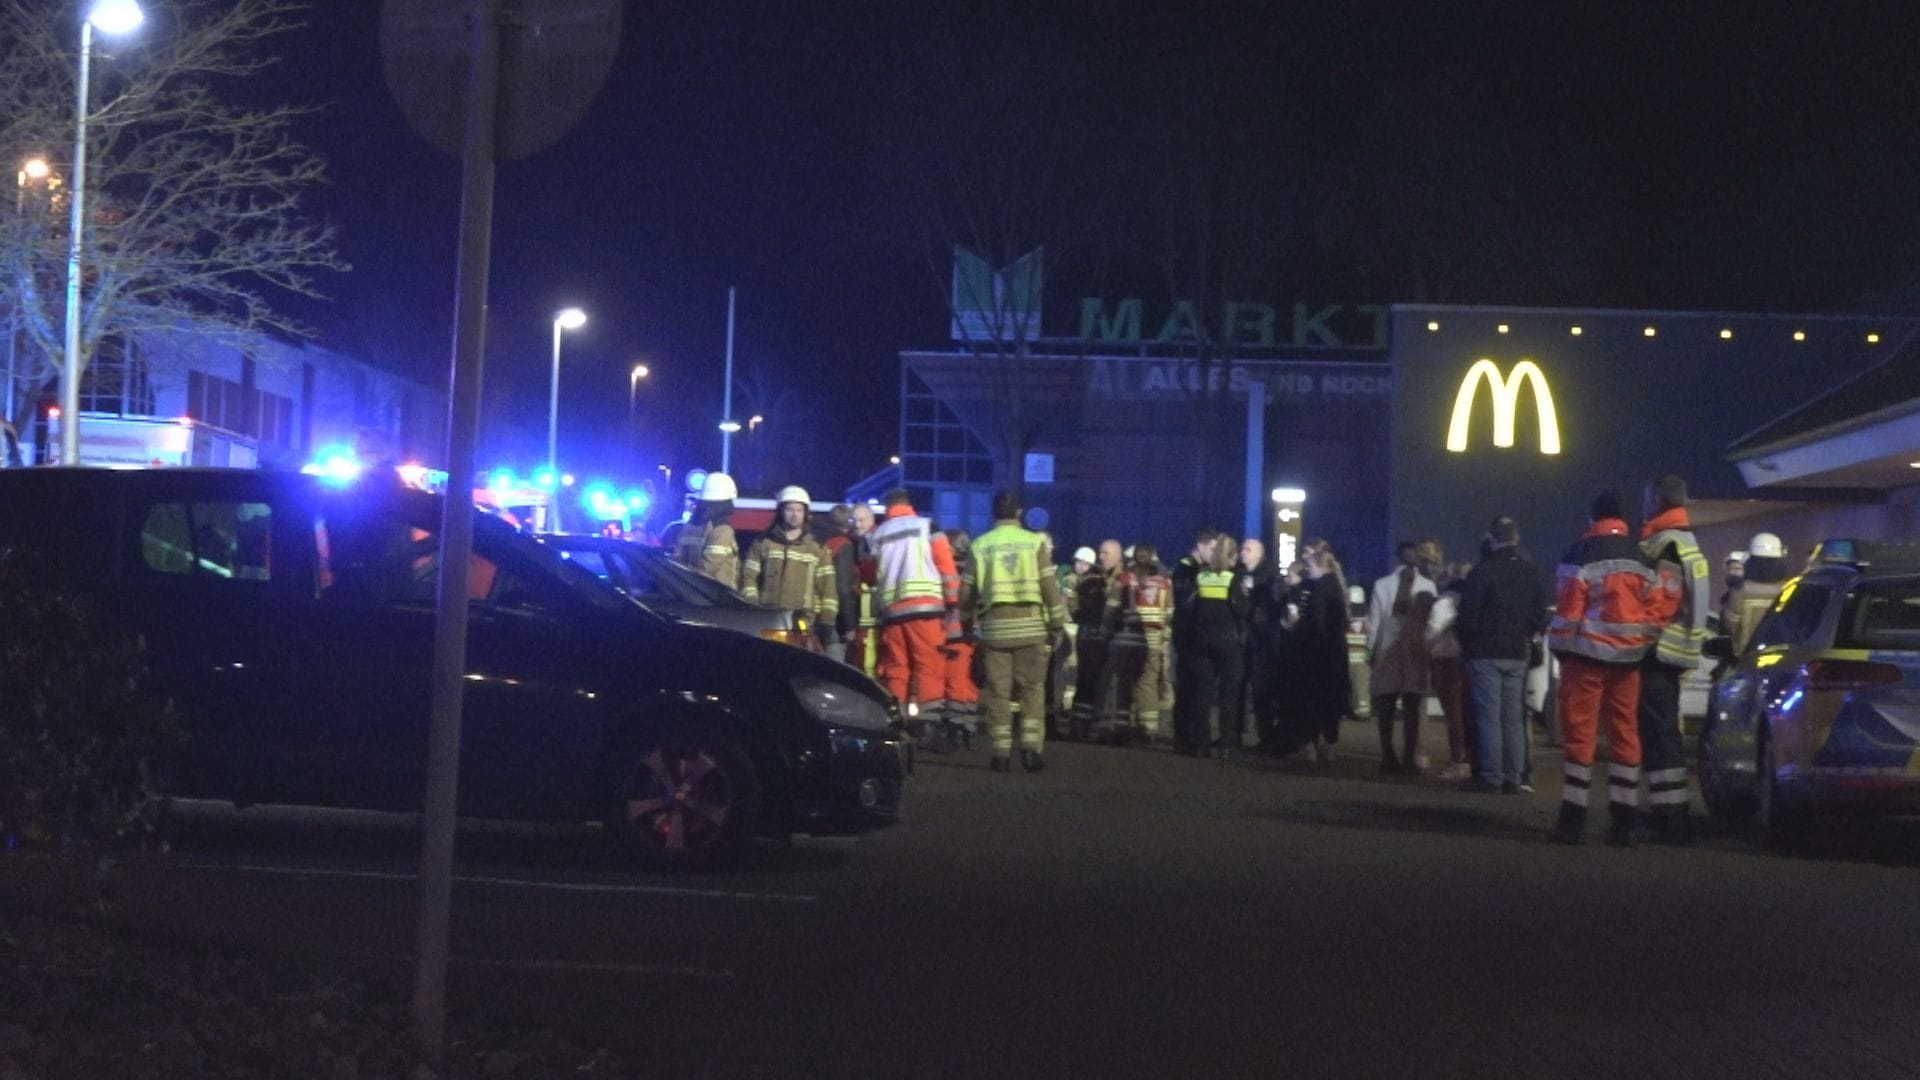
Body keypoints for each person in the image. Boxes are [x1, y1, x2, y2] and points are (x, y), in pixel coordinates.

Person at [1546, 493, 1657, 845]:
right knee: (1625, 735)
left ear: (1592, 517)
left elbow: (1568, 613)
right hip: (1629, 663)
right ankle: (1624, 823)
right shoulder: (1641, 556)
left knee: (1581, 737)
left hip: (1586, 660)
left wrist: (1560, 649)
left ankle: (1573, 820)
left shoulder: (1579, 554)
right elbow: (1654, 608)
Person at [970, 491, 1068, 772]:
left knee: (999, 692)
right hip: (1031, 628)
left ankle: (1000, 753)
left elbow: (968, 589)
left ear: (993, 512)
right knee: (1032, 689)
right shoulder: (1034, 542)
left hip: (996, 630)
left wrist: (966, 621)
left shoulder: (981, 544)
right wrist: (1057, 622)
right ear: (1020, 512)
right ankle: (1030, 750)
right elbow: (1049, 586)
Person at [1638, 475, 1711, 844]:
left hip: (1658, 652)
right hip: (1675, 651)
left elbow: (1657, 605)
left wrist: (1635, 642)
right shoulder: (1687, 543)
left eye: (1646, 498)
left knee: (1659, 736)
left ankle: (1669, 816)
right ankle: (1672, 811)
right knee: (1666, 733)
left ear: (1656, 500)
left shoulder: (1666, 545)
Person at [1457, 517, 1551, 795]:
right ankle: (1514, 775)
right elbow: (1540, 614)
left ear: (1491, 538)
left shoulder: (1481, 571)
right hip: (1517, 651)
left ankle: (1491, 775)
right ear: (1516, 538)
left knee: (1489, 716)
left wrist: (1469, 644)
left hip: (1485, 652)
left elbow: (1467, 616)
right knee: (1513, 717)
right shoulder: (1531, 572)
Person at [870, 488, 960, 730]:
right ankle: (929, 725)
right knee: (928, 667)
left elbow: (872, 576)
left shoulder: (878, 534)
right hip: (927, 610)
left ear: (888, 508)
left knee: (896, 670)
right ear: (909, 505)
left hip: (892, 614)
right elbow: (946, 566)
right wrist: (952, 601)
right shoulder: (927, 526)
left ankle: (896, 723)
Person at [1177, 534, 1252, 759]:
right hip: (1228, 642)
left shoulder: (1201, 577)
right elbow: (1242, 610)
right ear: (1232, 556)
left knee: (1203, 693)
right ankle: (1226, 745)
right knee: (1229, 695)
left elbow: (1187, 606)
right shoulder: (1233, 579)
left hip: (1201, 641)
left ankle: (1201, 744)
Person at [1367, 541, 1437, 775]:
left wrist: (1371, 651)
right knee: (1410, 706)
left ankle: (1391, 756)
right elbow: (1431, 623)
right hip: (1413, 651)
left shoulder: (1382, 585)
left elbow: (1375, 622)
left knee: (1388, 705)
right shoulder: (1427, 586)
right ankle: (1405, 758)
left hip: (1391, 650)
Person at [740, 486, 838, 631]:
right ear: (780, 512)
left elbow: (828, 587)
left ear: (805, 513)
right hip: (768, 617)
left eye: (799, 510)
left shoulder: (816, 547)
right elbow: (748, 577)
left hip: (803, 620)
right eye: (789, 509)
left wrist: (827, 622)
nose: (794, 515)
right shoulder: (764, 542)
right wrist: (753, 605)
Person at [1105, 544, 1173, 745]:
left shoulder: (1123, 579)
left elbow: (1111, 610)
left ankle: (1122, 727)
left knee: (1124, 683)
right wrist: (1164, 638)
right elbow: (1169, 613)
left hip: (1126, 640)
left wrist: (1106, 631)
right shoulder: (1164, 582)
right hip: (1151, 642)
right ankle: (1148, 729)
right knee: (1147, 684)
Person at [1292, 545, 1351, 764]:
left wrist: (1299, 626)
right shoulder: (1337, 585)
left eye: (1309, 566)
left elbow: (1316, 621)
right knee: (1331, 701)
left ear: (1317, 565)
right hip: (1335, 651)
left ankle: (1310, 746)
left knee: (1312, 699)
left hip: (1317, 652)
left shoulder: (1320, 588)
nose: (1307, 571)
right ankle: (1330, 744)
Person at [1170, 528, 1221, 755]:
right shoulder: (1185, 568)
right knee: (1188, 690)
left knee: (1197, 690)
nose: (1214, 553)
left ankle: (1192, 738)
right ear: (1200, 546)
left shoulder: (1200, 569)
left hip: (1197, 636)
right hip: (1188, 636)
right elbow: (1185, 602)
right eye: (1212, 548)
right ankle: (1185, 738)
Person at [1067, 540, 1123, 741]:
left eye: (1105, 553)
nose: (1101, 557)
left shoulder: (1120, 579)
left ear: (1118, 555)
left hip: (1108, 638)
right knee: (1088, 680)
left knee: (1102, 682)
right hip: (1092, 637)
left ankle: (1093, 724)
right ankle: (1083, 724)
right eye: (1100, 553)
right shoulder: (1095, 580)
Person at [1426, 560, 1474, 781]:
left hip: (1447, 661)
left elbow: (1433, 632)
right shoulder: (1475, 601)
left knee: (1453, 714)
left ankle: (1458, 760)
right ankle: (1471, 758)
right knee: (1469, 712)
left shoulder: (1445, 602)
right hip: (1471, 660)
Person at [1240, 538, 1285, 753]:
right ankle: (1238, 732)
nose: (1243, 552)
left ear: (1260, 554)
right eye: (1243, 548)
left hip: (1262, 642)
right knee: (1242, 689)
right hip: (1246, 639)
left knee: (1262, 691)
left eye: (1248, 549)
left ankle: (1267, 737)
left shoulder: (1268, 576)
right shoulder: (1241, 573)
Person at [936, 529, 979, 751]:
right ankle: (967, 729)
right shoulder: (973, 569)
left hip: (951, 633)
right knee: (965, 683)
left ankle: (954, 729)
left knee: (952, 684)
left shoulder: (947, 570)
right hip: (970, 634)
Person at [1722, 532, 1789, 655]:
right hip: (1777, 658)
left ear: (1750, 561)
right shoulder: (1789, 589)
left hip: (1745, 659)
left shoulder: (1740, 590)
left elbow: (1728, 627)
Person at [672, 471, 740, 587]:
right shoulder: (722, 530)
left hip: (687, 592)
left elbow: (676, 559)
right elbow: (709, 569)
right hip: (716, 596)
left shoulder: (688, 526)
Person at [846, 502, 881, 676]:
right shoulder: (862, 540)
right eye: (854, 520)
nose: (858, 524)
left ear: (871, 520)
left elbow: (872, 572)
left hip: (875, 606)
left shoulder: (873, 539)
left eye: (862, 520)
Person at [822, 505, 859, 662]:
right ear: (848, 523)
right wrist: (850, 625)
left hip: (817, 611)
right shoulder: (843, 545)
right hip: (835, 618)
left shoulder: (821, 541)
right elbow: (843, 588)